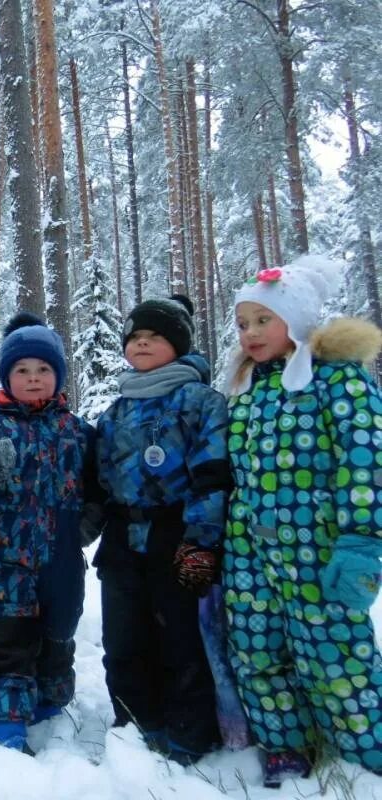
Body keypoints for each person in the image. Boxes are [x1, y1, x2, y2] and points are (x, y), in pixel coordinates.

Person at [222, 257, 382, 786]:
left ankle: (363, 756)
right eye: (243, 323)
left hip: (319, 548)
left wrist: (361, 540)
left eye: (262, 320)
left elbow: (366, 461)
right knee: (256, 651)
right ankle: (286, 748)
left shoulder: (339, 381)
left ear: (296, 319)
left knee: (334, 656)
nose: (250, 333)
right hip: (252, 550)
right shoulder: (246, 390)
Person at [91, 295, 228, 765]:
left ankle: (190, 735)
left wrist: (202, 540)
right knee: (123, 640)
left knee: (181, 640)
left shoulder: (201, 402)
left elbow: (213, 473)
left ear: (178, 345)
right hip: (122, 540)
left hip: (177, 536)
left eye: (154, 337)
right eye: (135, 338)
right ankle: (134, 728)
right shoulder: (117, 409)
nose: (142, 344)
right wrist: (82, 530)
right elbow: (99, 478)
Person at [0, 314, 92, 753]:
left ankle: (49, 703)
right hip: (3, 559)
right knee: (3, 639)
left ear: (59, 376)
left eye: (44, 370)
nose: (34, 379)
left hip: (60, 559)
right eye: (22, 371)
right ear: (7, 378)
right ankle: (5, 721)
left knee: (57, 634)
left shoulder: (77, 432)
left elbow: (101, 485)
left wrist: (87, 523)